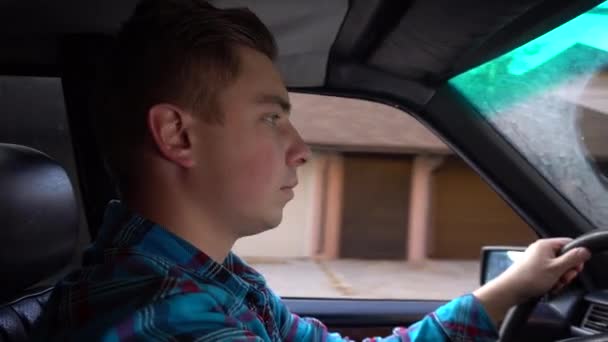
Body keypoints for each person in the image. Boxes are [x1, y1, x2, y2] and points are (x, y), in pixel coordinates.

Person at [34, 0, 591, 341]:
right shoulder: (168, 321)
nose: (299, 148)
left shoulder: (215, 281)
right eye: (272, 116)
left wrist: (510, 289)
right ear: (178, 136)